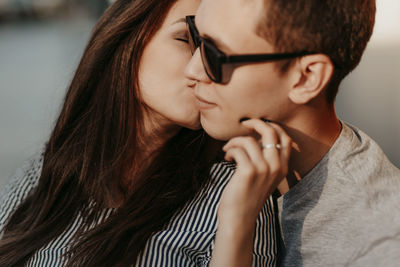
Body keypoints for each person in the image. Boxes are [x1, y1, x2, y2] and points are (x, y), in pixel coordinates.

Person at [0, 0, 281, 266]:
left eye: (215, 51)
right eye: (187, 39)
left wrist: (236, 222)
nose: (203, 68)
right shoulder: (49, 169)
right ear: (127, 38)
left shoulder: (234, 195)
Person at [184, 0, 400, 266]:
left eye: (214, 54)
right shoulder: (198, 148)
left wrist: (237, 221)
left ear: (307, 77)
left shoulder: (379, 245)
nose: (191, 70)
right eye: (194, 36)